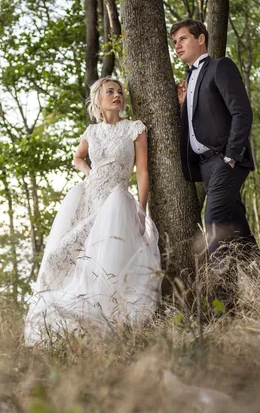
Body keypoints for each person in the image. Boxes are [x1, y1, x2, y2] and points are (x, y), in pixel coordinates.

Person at [24, 77, 161, 346]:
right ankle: (65, 328)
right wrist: (89, 172)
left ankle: (109, 327)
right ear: (98, 99)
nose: (117, 95)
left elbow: (143, 172)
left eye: (120, 92)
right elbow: (78, 157)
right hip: (89, 199)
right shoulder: (92, 132)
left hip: (116, 202)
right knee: (58, 258)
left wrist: (141, 210)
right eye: (110, 91)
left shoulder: (134, 129)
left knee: (105, 262)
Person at [171, 19, 259, 280]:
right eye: (174, 42)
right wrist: (181, 105)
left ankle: (224, 299)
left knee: (213, 222)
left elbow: (242, 112)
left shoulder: (221, 66)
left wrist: (231, 155)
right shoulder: (187, 80)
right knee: (237, 227)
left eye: (183, 39)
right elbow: (198, 122)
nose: (177, 45)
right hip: (206, 167)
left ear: (201, 39)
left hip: (225, 159)